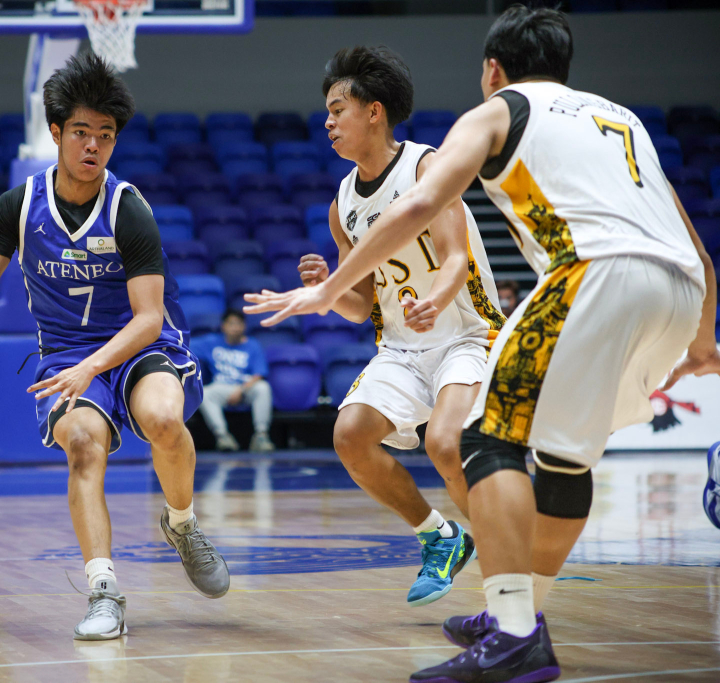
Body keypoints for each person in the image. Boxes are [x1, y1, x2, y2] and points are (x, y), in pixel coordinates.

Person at [246, 6, 719, 682]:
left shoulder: (496, 112)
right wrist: (701, 342)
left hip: (590, 276)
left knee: (476, 442)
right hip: (676, 294)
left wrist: (325, 293)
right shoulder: (626, 120)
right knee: (560, 463)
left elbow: (418, 207)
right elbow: (695, 244)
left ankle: (513, 626)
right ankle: (517, 615)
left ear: (493, 69)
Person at [0, 53, 230, 641]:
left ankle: (183, 525)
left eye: (105, 136)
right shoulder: (17, 207)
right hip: (64, 352)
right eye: (81, 133)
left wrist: (93, 366)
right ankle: (104, 591)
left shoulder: (129, 209)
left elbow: (147, 318)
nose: (93, 146)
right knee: (84, 443)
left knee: (163, 417)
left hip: (140, 343)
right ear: (57, 133)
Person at [297, 45, 506, 607]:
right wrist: (331, 286)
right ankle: (441, 538)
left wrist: (436, 300)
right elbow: (361, 306)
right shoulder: (343, 203)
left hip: (465, 331)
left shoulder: (426, 167)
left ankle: (506, 562)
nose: (329, 120)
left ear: (375, 111)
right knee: (349, 437)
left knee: (445, 442)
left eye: (339, 108)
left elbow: (455, 257)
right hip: (402, 346)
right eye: (327, 110)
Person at [195, 309, 274, 452]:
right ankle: (222, 436)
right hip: (222, 387)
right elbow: (185, 344)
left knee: (263, 387)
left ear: (244, 327)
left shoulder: (253, 345)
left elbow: (259, 374)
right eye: (231, 324)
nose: (235, 328)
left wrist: (241, 390)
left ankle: (261, 436)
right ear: (223, 326)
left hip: (246, 387)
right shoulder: (211, 342)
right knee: (205, 393)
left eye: (239, 324)